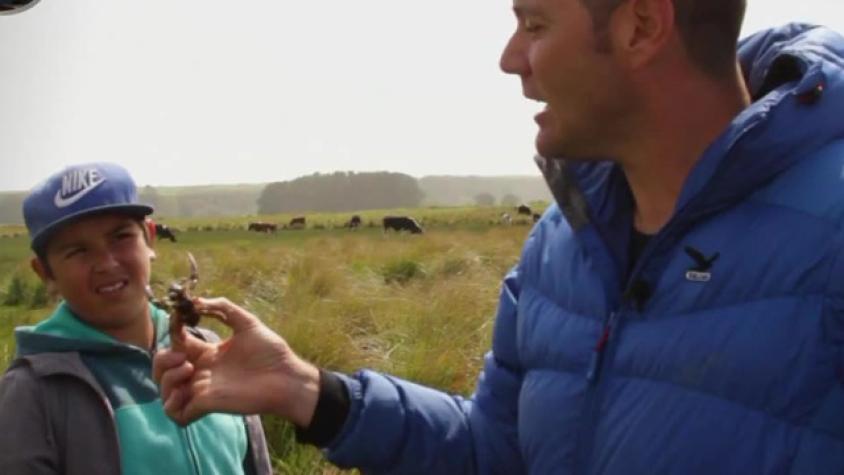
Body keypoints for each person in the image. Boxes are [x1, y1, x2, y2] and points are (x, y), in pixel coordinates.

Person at [155, 0, 844, 473]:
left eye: (535, 23)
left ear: (640, 25)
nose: (511, 58)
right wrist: (306, 391)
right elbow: (498, 452)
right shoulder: (561, 245)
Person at [0, 162, 272, 474]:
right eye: (77, 251)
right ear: (45, 273)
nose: (106, 262)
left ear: (150, 239)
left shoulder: (213, 351)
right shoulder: (31, 394)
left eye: (120, 237)